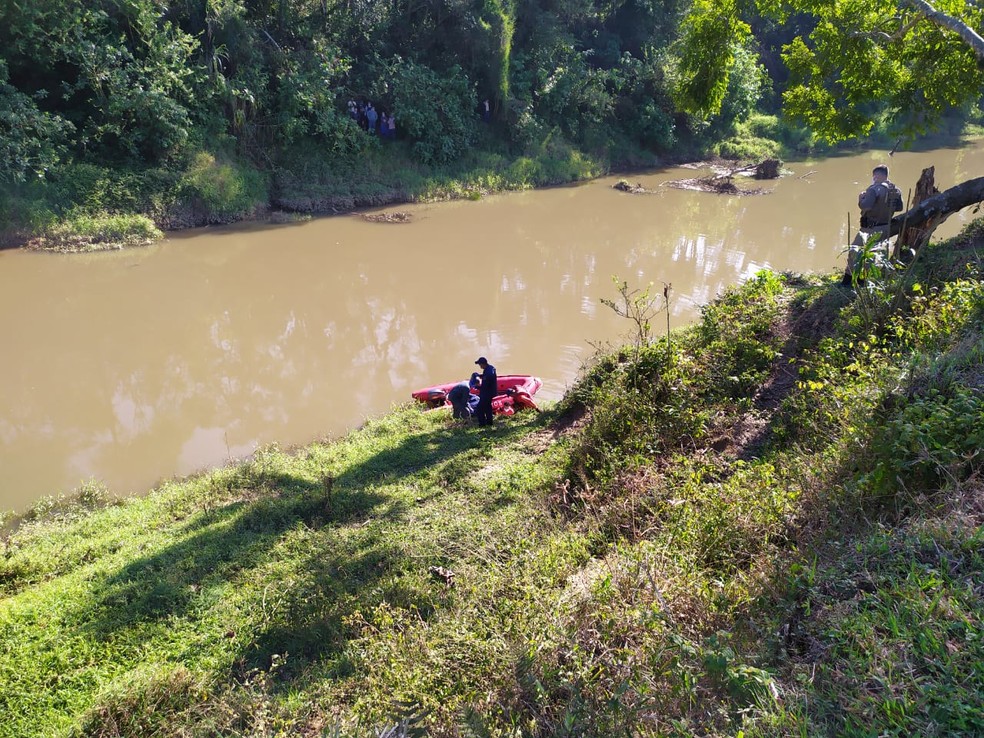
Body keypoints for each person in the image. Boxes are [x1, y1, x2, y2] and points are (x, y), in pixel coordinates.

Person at [843, 164, 904, 286]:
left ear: (876, 175)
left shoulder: (873, 189)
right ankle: (862, 281)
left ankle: (847, 281)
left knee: (855, 251)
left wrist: (861, 198)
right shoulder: (896, 190)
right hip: (885, 227)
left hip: (869, 228)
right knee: (871, 254)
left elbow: (866, 206)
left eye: (874, 176)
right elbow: (899, 207)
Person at [475, 356, 497, 426]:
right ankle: (489, 423)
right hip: (490, 393)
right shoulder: (490, 368)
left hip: (487, 394)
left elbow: (485, 385)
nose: (479, 366)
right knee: (488, 407)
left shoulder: (488, 372)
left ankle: (482, 424)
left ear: (482, 364)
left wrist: (478, 387)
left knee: (479, 409)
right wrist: (480, 376)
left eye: (480, 364)